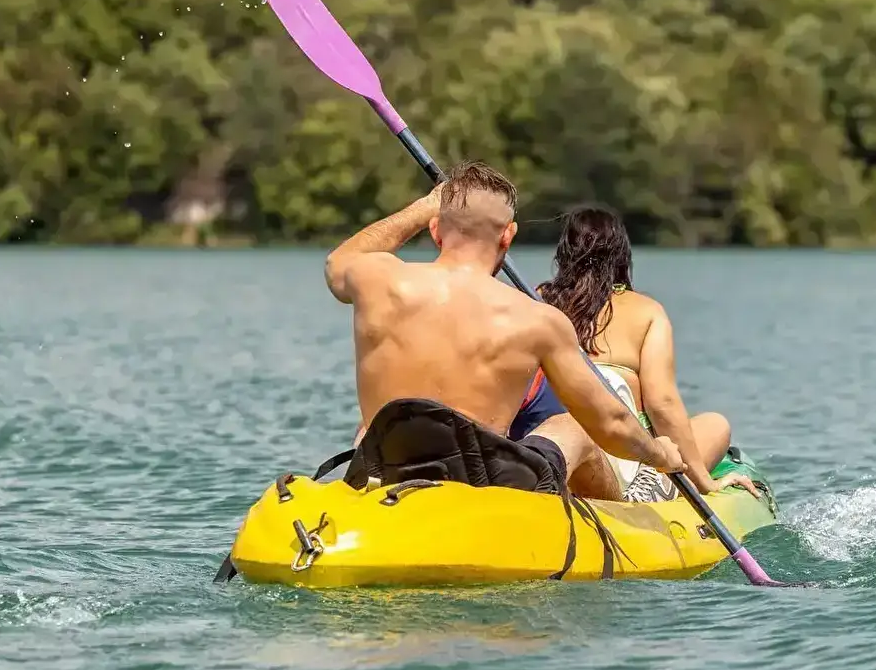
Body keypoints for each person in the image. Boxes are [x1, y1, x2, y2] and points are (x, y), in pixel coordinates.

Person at [324, 160, 687, 501]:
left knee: (376, 424)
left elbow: (338, 261)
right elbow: (611, 423)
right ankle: (619, 518)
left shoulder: (375, 279)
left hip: (384, 469)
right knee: (574, 426)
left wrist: (426, 206)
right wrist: (659, 453)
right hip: (481, 489)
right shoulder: (536, 319)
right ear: (507, 236)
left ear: (435, 230)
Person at [513, 205, 761, 504]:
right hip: (618, 463)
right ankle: (649, 493)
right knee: (716, 424)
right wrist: (706, 483)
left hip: (551, 447)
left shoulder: (535, 300)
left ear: (564, 254)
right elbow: (662, 404)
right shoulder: (646, 311)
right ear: (622, 256)